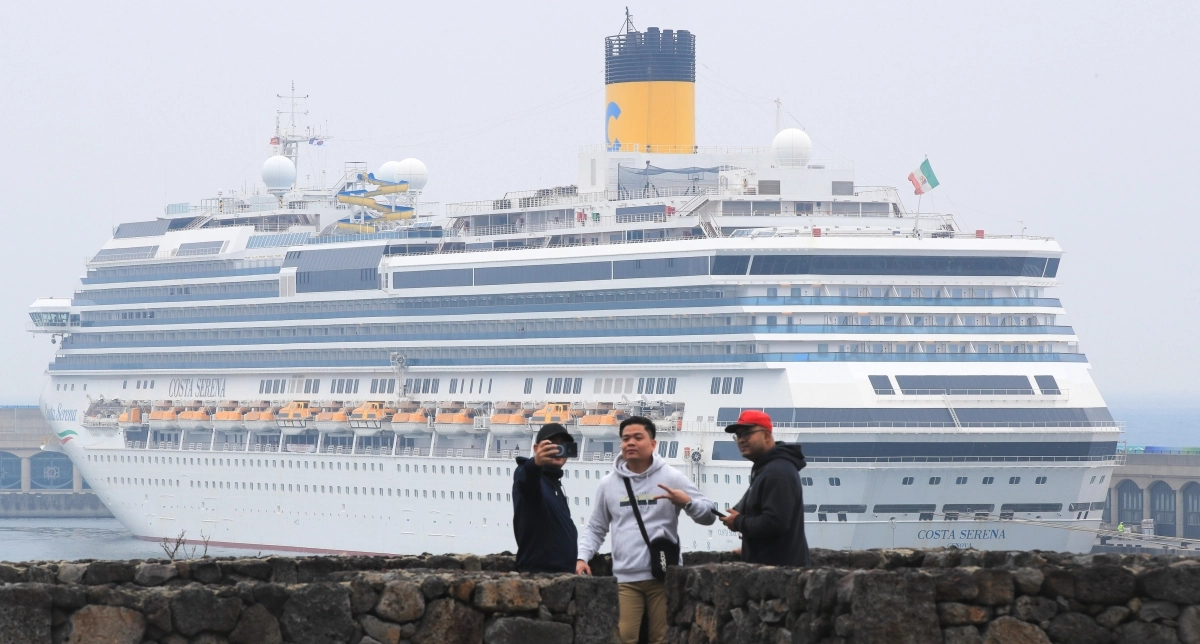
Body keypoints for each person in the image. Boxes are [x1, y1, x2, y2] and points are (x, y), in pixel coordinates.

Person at [577, 416, 715, 644]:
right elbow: (596, 527)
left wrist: (687, 502)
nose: (630, 442)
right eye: (625, 438)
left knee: (661, 639)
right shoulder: (609, 484)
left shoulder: (671, 477)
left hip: (663, 575)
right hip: (625, 577)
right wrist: (582, 557)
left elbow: (708, 515)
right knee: (624, 638)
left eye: (638, 437)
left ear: (653, 444)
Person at [719, 409, 810, 567]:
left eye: (747, 433)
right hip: (771, 569)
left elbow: (775, 523)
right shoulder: (765, 468)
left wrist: (739, 522)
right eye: (738, 436)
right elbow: (751, 510)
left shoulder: (777, 472)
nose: (741, 440)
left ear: (766, 436)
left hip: (781, 575)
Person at [512, 423, 577, 573]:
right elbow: (526, 483)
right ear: (536, 449)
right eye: (551, 445)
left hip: (563, 574)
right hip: (539, 575)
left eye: (562, 445)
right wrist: (536, 463)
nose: (557, 449)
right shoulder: (526, 472)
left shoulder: (553, 483)